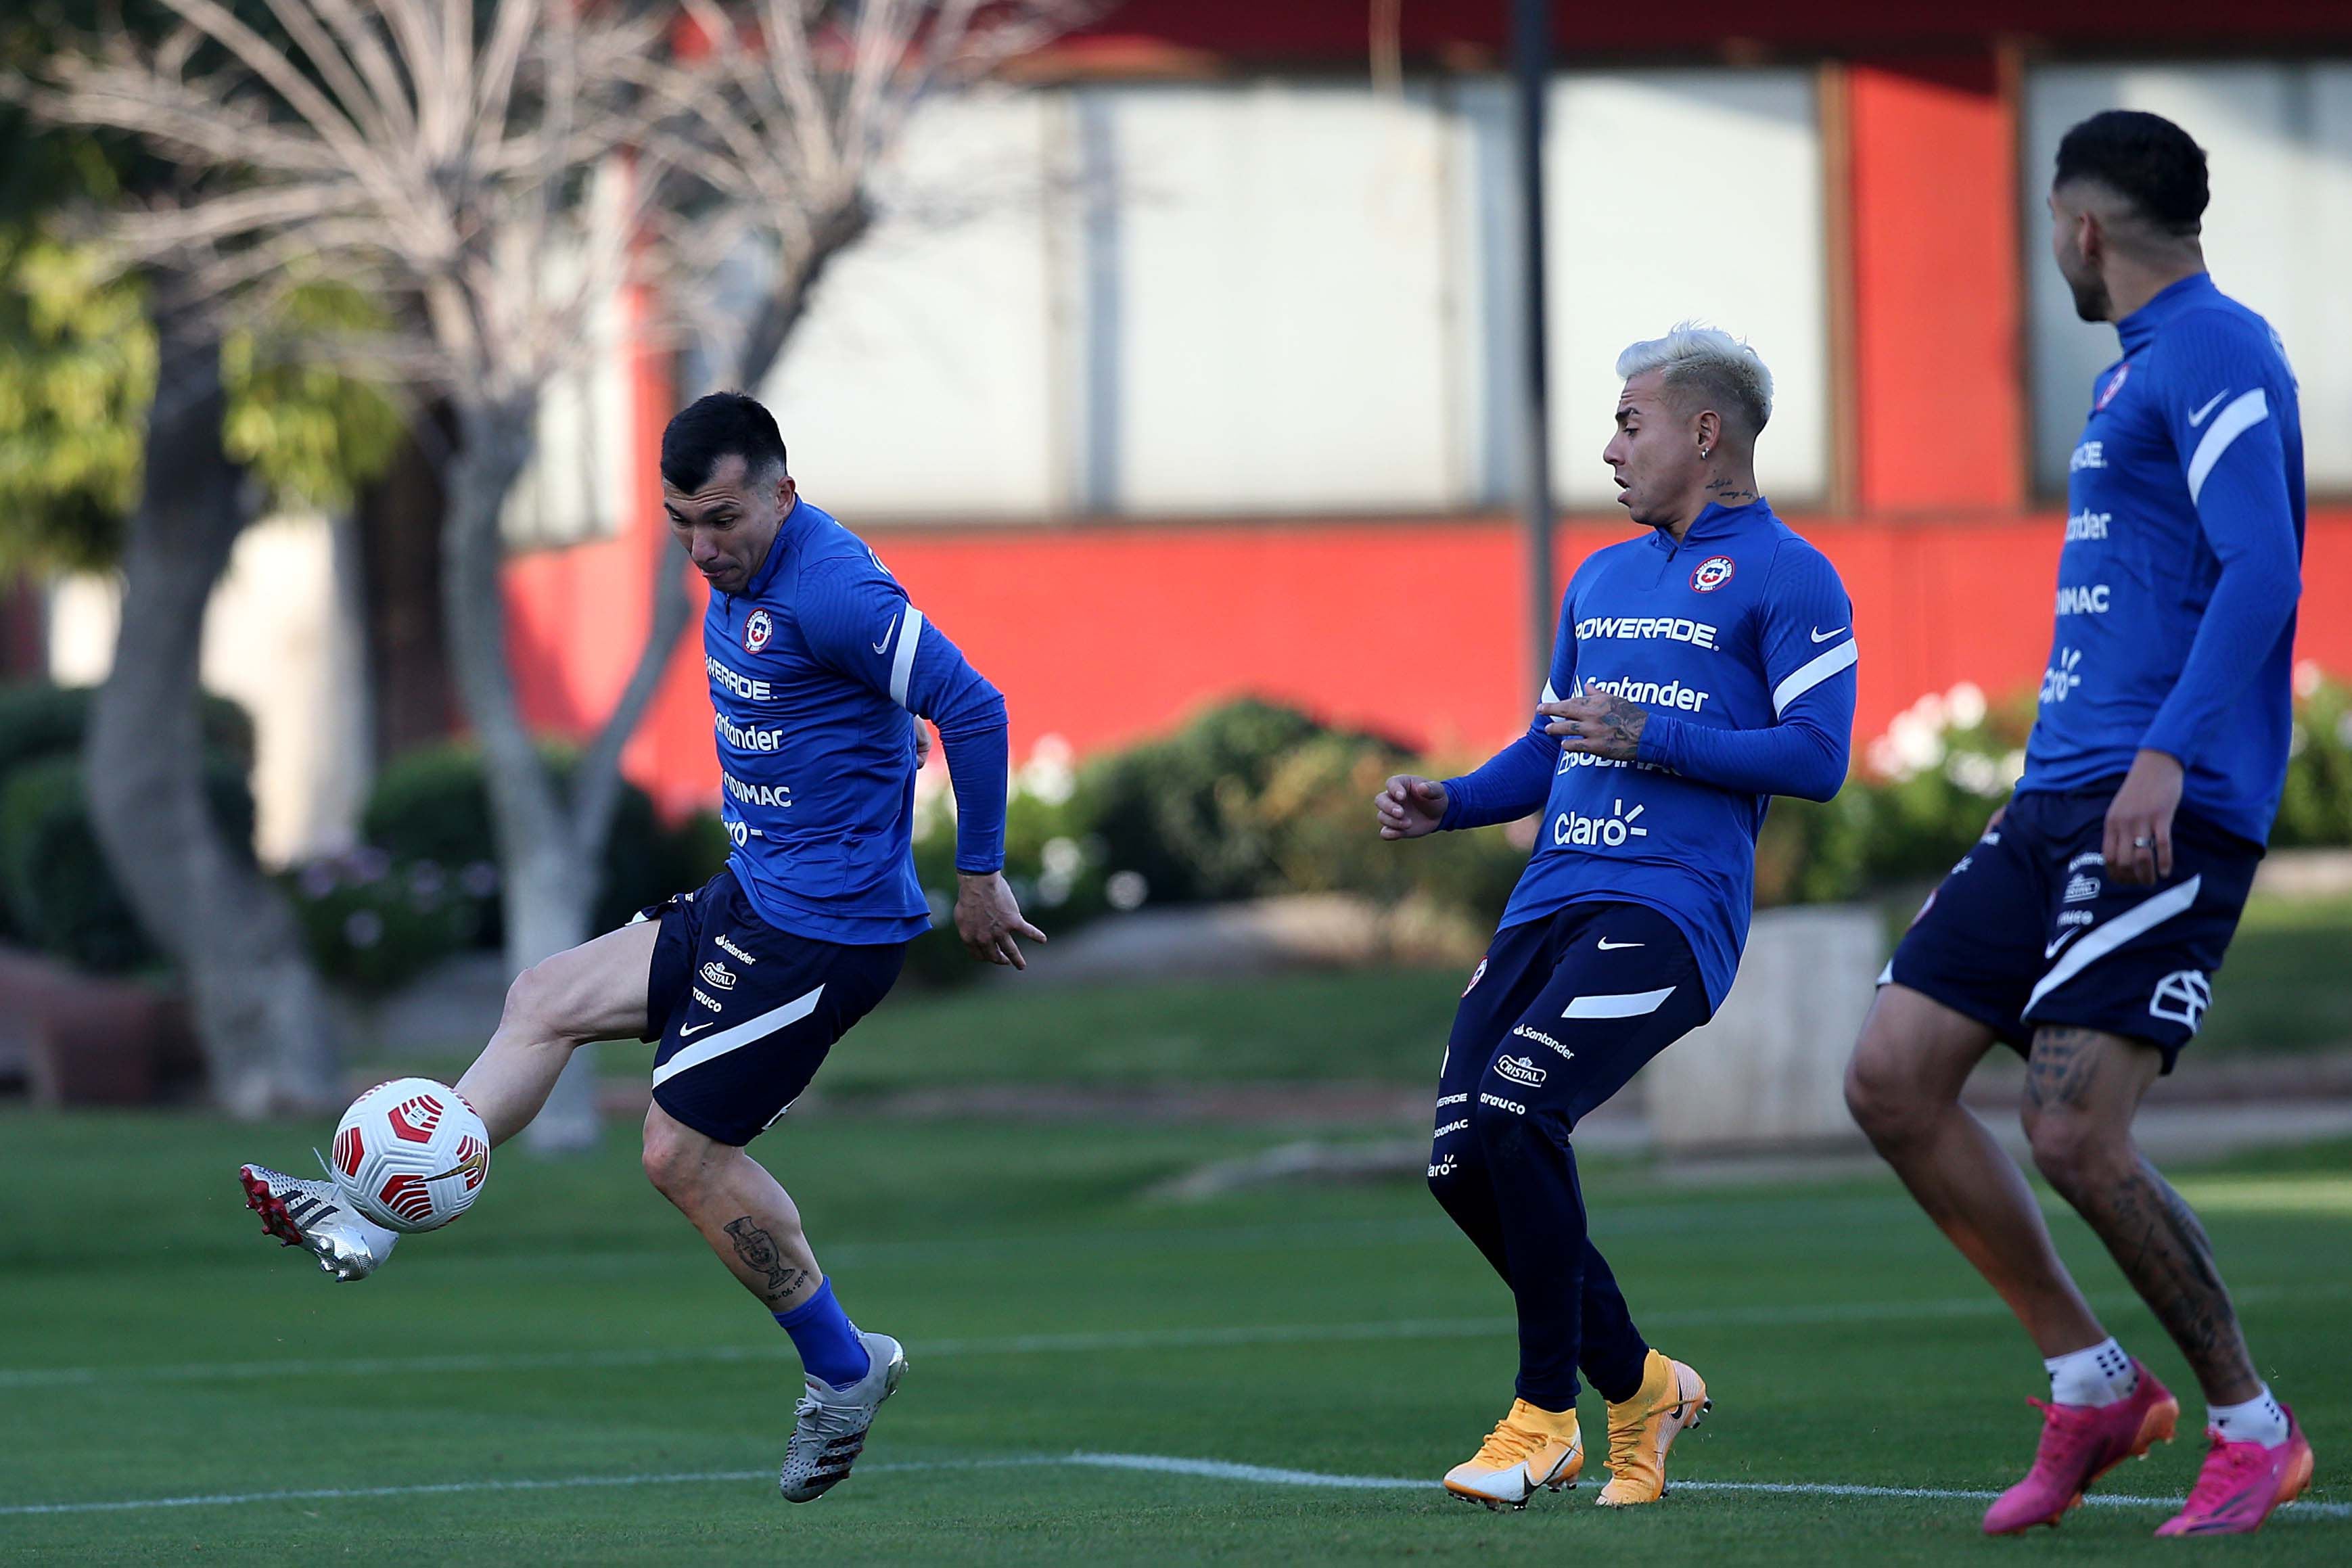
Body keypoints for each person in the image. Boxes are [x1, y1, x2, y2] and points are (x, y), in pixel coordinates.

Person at [238, 392, 1044, 1504]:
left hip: (822, 935)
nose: (704, 547)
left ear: (783, 493)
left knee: (679, 1153)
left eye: (723, 518)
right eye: (681, 523)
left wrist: (981, 874)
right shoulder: (741, 570)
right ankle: (368, 1210)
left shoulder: (838, 588)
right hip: (753, 896)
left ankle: (844, 1367)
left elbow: (977, 705)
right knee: (544, 996)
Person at [1844, 110, 2312, 1538]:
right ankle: (2089, 1379)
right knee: (1891, 1078)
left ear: (2080, 227)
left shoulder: (2217, 348)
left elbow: (2263, 567)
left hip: (2162, 805)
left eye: (2051, 224)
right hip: (2061, 792)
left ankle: (2248, 1423)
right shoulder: (2138, 375)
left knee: (2067, 1130)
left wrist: (2162, 758)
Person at [1377, 325, 1856, 1509]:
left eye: (1628, 423)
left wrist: (1658, 738)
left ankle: (1544, 1416)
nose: (1608, 448)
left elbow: (1817, 757)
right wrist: (1451, 802)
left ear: (1704, 434)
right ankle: (1639, 1385)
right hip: (1548, 900)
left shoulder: (1791, 575)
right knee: (1456, 1162)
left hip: (1669, 910)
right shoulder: (1598, 578)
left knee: (1518, 1106)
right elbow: (1547, 752)